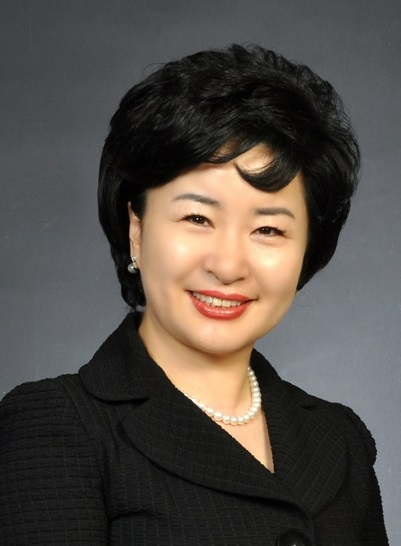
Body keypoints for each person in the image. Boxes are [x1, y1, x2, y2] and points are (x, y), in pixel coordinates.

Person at [0, 44, 388, 545]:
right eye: (198, 218)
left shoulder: (340, 438)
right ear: (136, 228)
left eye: (268, 229)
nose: (228, 266)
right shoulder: (56, 425)